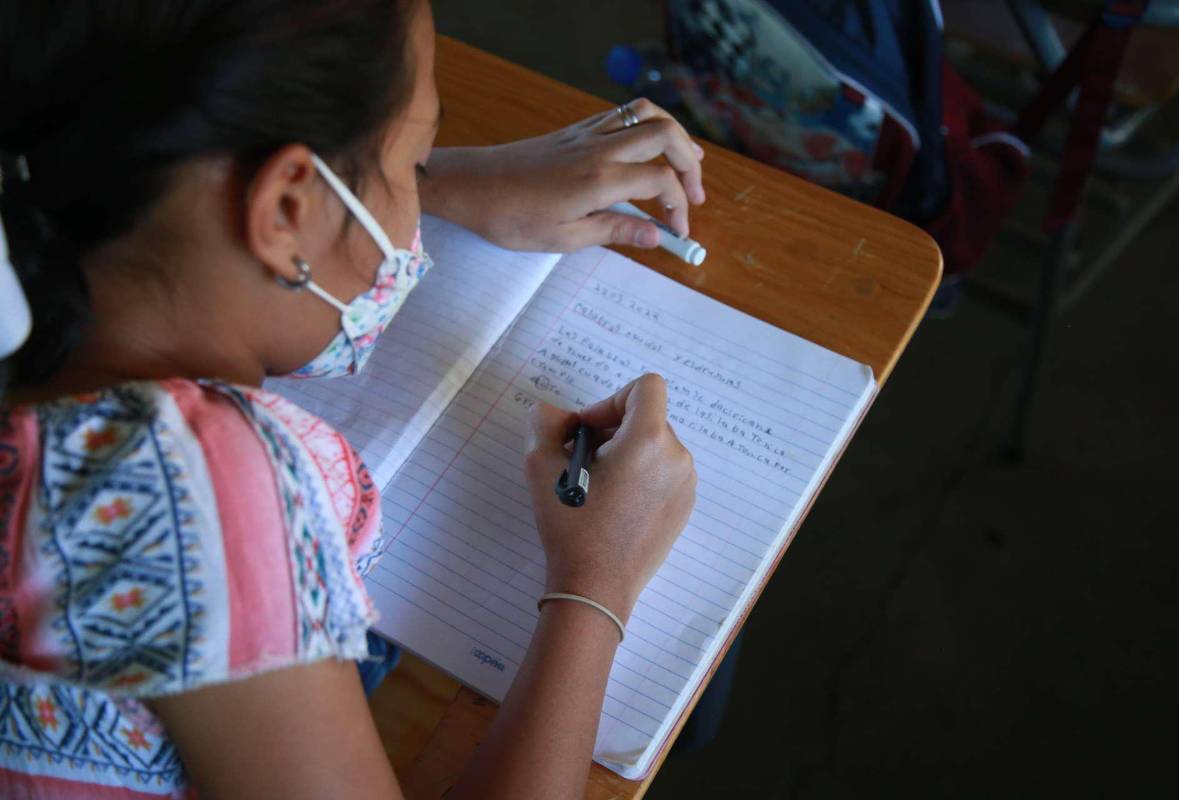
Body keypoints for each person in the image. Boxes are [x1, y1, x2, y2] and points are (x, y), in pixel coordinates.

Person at [0, 1, 702, 797]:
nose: (415, 202)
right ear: (288, 207)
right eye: (414, 165)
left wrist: (438, 183)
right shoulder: (187, 486)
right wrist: (597, 577)